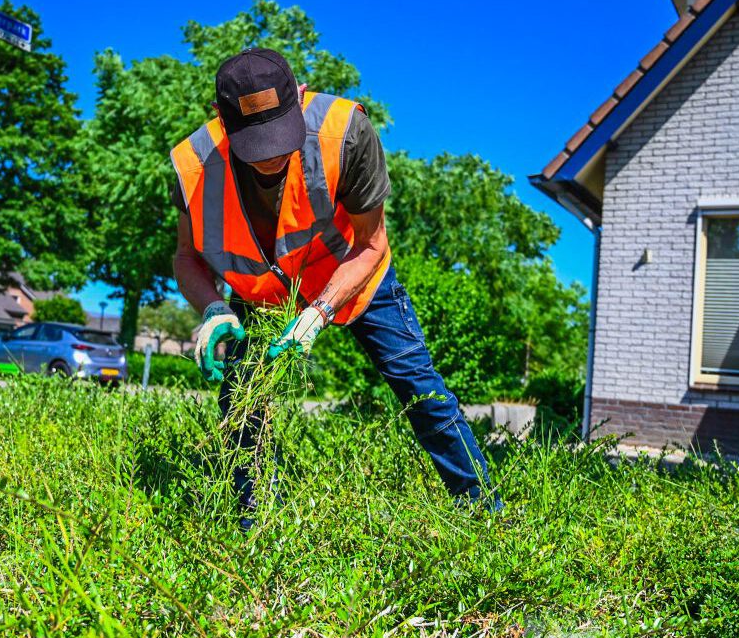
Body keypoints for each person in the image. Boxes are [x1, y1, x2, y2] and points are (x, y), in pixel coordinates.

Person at [170, 48, 502, 522]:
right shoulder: (192, 166)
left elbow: (372, 244)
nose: (272, 155)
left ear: (298, 99)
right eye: (256, 144)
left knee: (419, 386)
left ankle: (483, 510)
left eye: (281, 137)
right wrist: (213, 309)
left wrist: (320, 310)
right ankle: (258, 523)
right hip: (261, 296)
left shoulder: (343, 132)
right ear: (224, 124)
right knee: (241, 404)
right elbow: (186, 257)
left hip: (352, 273)